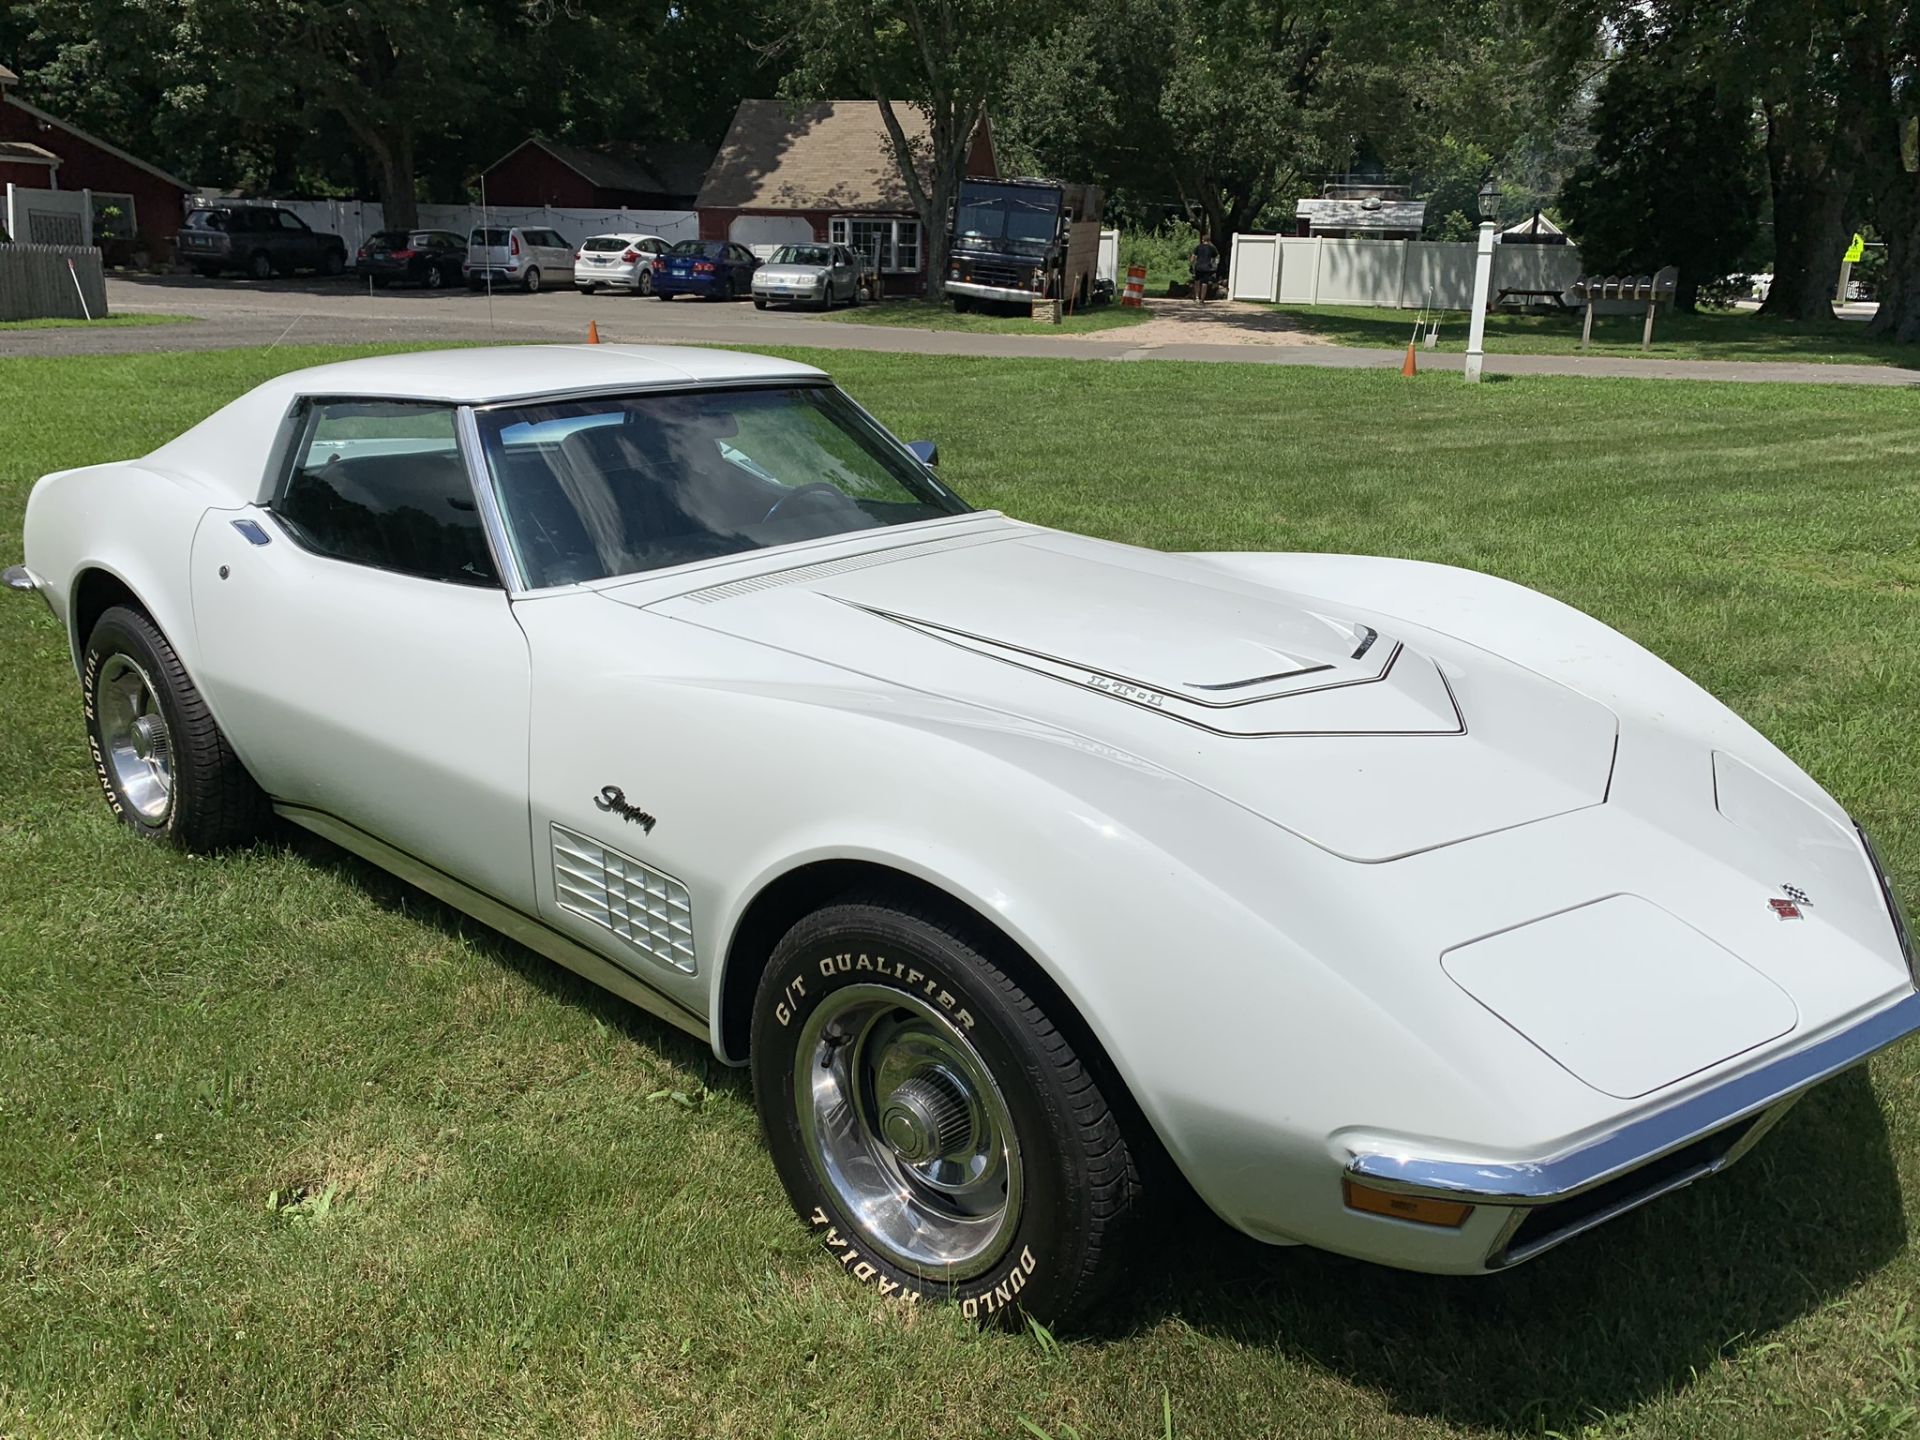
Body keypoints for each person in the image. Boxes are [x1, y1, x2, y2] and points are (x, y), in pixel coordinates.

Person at [1189, 234, 1220, 303]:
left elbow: (1193, 257)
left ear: (1203, 240)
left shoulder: (1198, 247)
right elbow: (1217, 256)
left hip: (1198, 266)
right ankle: (1202, 299)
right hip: (1207, 267)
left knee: (1197, 281)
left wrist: (1191, 264)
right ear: (1209, 241)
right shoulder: (1212, 248)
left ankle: (1197, 297)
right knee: (1204, 283)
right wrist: (1215, 265)